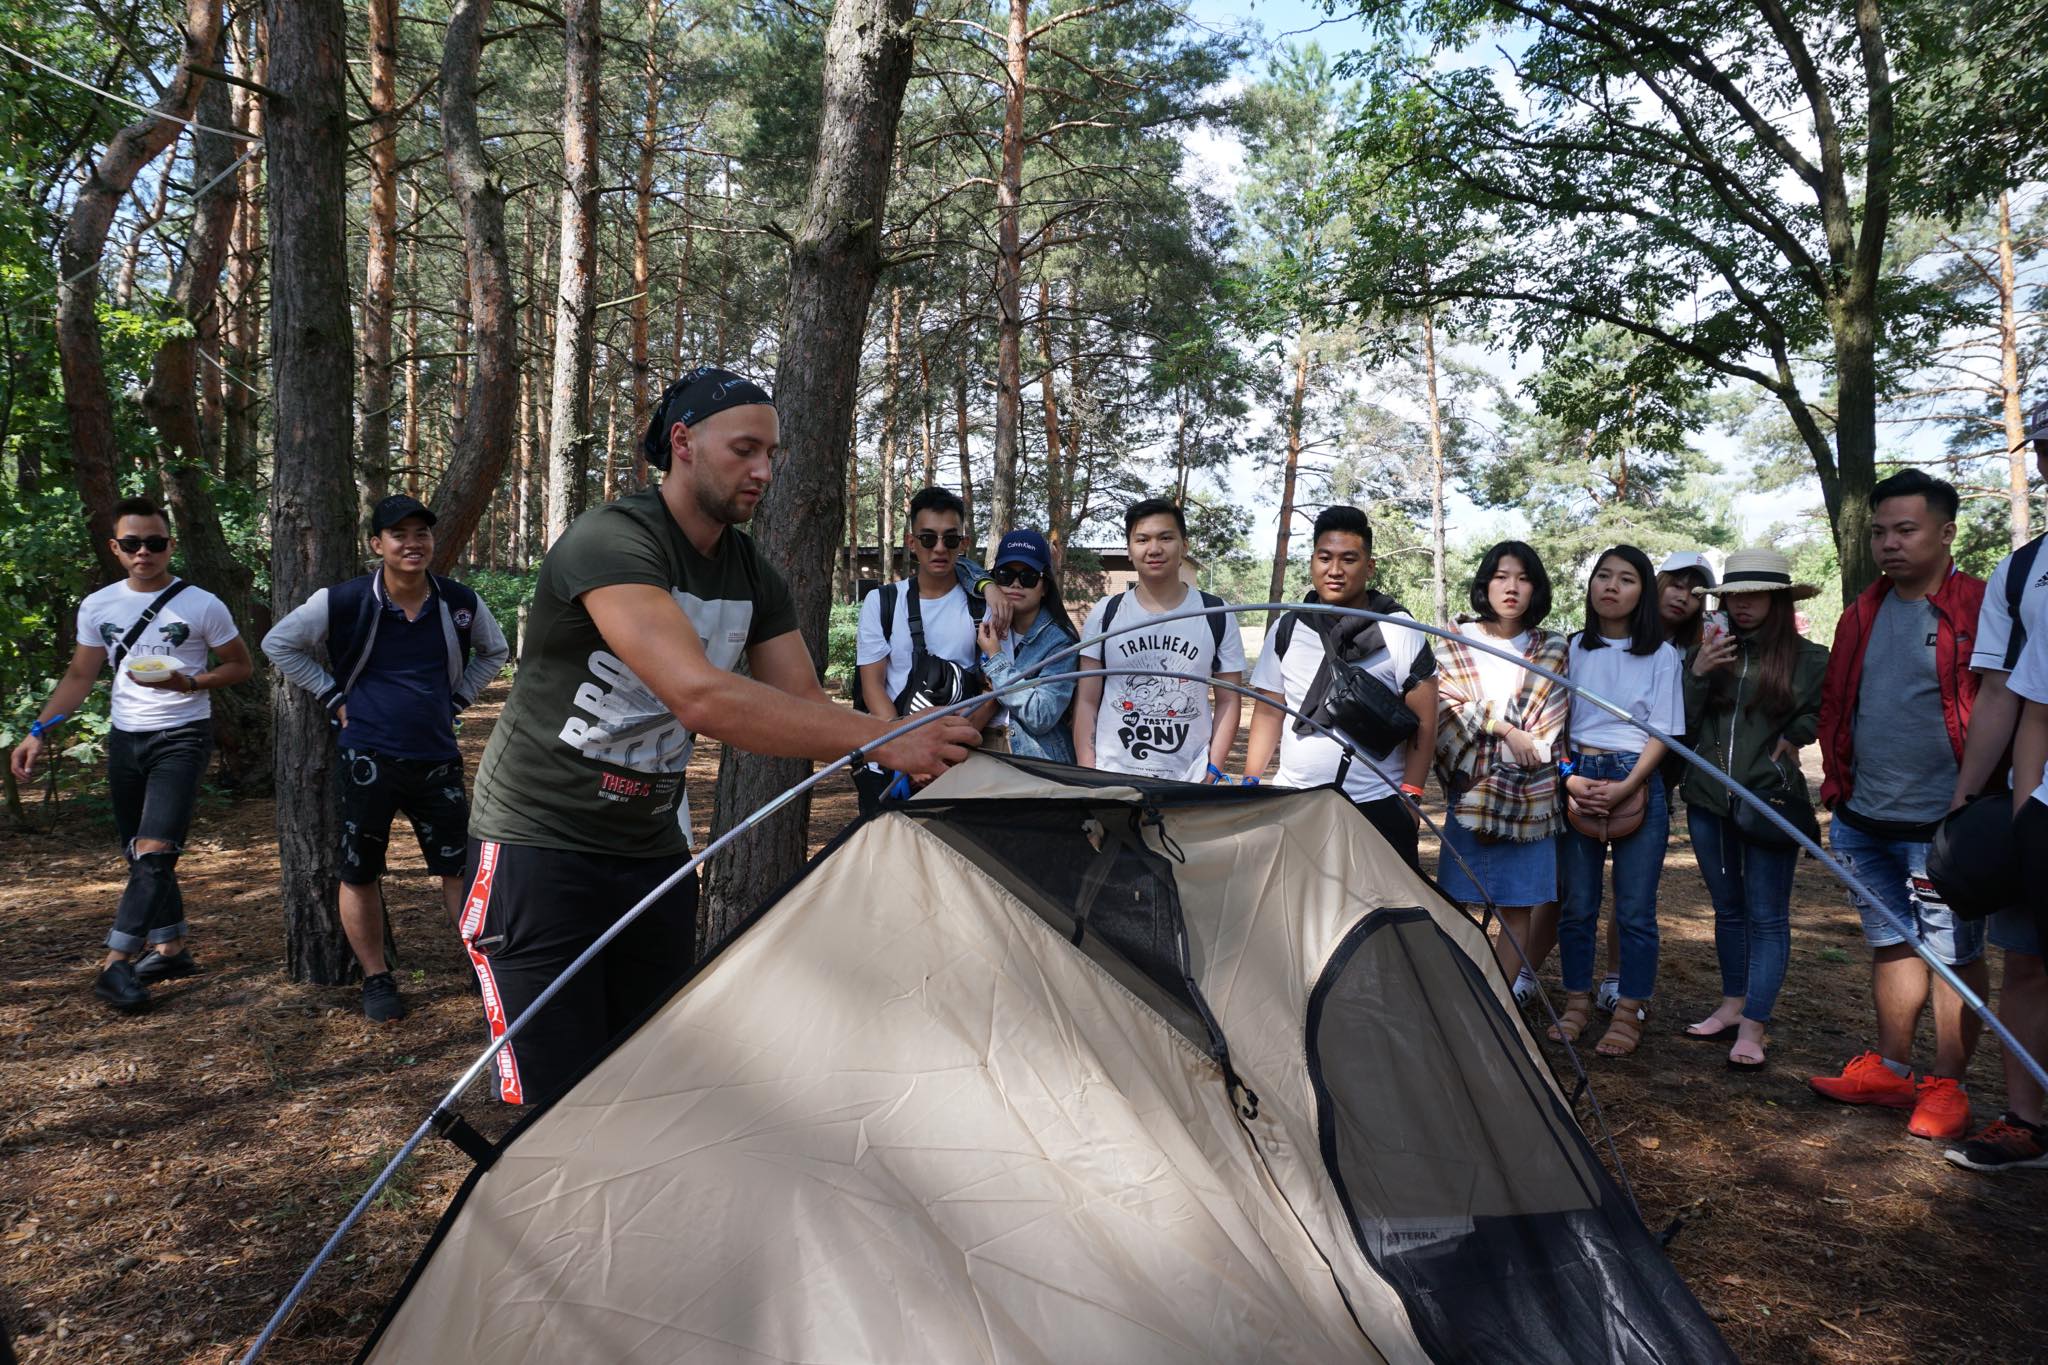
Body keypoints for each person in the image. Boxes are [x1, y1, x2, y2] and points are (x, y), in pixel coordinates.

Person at [458, 366, 979, 1107]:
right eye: (745, 449)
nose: (763, 471)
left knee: (649, 1077)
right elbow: (698, 695)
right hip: (539, 847)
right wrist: (883, 742)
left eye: (772, 454)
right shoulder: (613, 540)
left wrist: (918, 740)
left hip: (651, 856)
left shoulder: (751, 573)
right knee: (555, 1104)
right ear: (684, 443)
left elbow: (797, 696)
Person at [262, 493, 511, 1022]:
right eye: (399, 534)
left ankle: (479, 964)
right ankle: (376, 978)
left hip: (436, 757)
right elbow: (279, 643)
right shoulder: (345, 601)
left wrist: (459, 698)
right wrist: (332, 696)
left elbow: (495, 651)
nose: (412, 543)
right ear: (377, 545)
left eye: (421, 533)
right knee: (359, 870)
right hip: (367, 757)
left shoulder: (458, 602)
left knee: (457, 868)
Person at [9, 497, 253, 1013]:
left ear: (169, 546)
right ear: (116, 548)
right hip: (126, 739)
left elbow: (239, 665)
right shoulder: (98, 605)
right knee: (137, 852)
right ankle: (170, 948)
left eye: (156, 542)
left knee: (156, 850)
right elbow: (80, 676)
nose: (146, 552)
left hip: (182, 735)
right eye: (134, 543)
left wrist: (192, 681)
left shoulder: (202, 604)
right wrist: (39, 731)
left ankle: (116, 963)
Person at [1809, 470, 1989, 1139]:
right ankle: (1890, 1067)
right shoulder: (1865, 608)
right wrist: (1836, 787)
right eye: (1880, 530)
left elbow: (2000, 702)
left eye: (1905, 529)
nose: (1889, 542)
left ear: (1946, 532)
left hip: (1943, 826)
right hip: (1864, 818)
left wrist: (1976, 805)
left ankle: (1947, 1084)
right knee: (1891, 943)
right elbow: (1838, 701)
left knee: (1953, 952)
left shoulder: (1979, 606)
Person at [1944, 398, 2048, 1172]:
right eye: (2044, 446)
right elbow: (2004, 691)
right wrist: (1972, 795)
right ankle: (2023, 1117)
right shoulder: (2023, 570)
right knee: (2027, 958)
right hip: (2035, 799)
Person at [1679, 549, 1827, 1070]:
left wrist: (1797, 733)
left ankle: (1755, 1026)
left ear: (1780, 599)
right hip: (1707, 799)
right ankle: (1732, 1004)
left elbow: (1823, 710)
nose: (1742, 605)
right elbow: (1681, 721)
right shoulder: (1709, 650)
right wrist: (1697, 671)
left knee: (1767, 916)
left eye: (1755, 594)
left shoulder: (1810, 659)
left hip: (1771, 802)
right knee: (1728, 909)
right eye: (1734, 595)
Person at [1242, 505, 1439, 868]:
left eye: (1349, 559)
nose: (1334, 570)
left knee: (1382, 915)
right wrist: (1251, 784)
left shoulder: (1398, 628)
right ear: (1312, 561)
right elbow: (1269, 711)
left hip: (1378, 803)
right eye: (1324, 557)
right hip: (1295, 800)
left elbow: (1425, 721)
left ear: (1369, 566)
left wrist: (1410, 798)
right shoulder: (1288, 628)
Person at [1554, 545, 1685, 1054]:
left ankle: (1629, 1009)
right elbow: (1552, 725)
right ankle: (1576, 1004)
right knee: (1577, 905)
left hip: (1638, 781)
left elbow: (1665, 731)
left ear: (1643, 592)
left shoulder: (1662, 655)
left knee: (1634, 910)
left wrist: (1629, 786)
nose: (1611, 586)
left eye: (1626, 579)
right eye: (1602, 576)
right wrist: (1569, 779)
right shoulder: (1570, 649)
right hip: (1579, 777)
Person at [1431, 541, 1570, 1001]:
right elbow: (1445, 710)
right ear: (1485, 583)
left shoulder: (1551, 647)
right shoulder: (1455, 640)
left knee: (1518, 904)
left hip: (1532, 798)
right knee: (1458, 903)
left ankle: (1499, 1001)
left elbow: (1549, 726)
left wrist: (1491, 722)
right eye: (1501, 576)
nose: (1512, 587)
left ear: (1536, 588)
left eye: (1523, 578)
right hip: (1468, 793)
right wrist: (1506, 727)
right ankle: (1459, 994)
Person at [1584, 549, 1717, 1014]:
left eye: (1695, 591)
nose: (1682, 597)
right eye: (1675, 584)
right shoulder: (1582, 645)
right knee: (1576, 897)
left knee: (1633, 900)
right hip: (1585, 778)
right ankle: (1560, 989)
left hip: (1651, 781)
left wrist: (1698, 674)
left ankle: (1623, 988)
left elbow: (1681, 728)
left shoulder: (1691, 651)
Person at [1072, 498, 1246, 782]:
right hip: (1112, 776)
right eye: (1142, 539)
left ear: (1184, 546)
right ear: (1129, 549)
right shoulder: (1106, 612)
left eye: (1166, 538)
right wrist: (1088, 768)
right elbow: (1087, 699)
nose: (1154, 549)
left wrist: (1212, 769)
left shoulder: (1217, 613)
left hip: (1188, 779)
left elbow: (1229, 700)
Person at [854, 486, 1002, 808]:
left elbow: (993, 693)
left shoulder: (982, 609)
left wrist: (945, 756)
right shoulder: (882, 603)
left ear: (963, 544)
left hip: (960, 765)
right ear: (911, 542)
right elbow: (873, 688)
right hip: (892, 767)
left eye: (950, 539)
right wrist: (908, 755)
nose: (939, 549)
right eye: (927, 538)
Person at [975, 528, 1080, 763]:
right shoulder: (983, 620)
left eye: (1028, 576)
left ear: (1044, 587)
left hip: (1034, 755)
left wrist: (996, 660)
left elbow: (1041, 715)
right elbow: (959, 566)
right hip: (980, 750)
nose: (1015, 584)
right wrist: (986, 586)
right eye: (1004, 575)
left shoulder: (1061, 641)